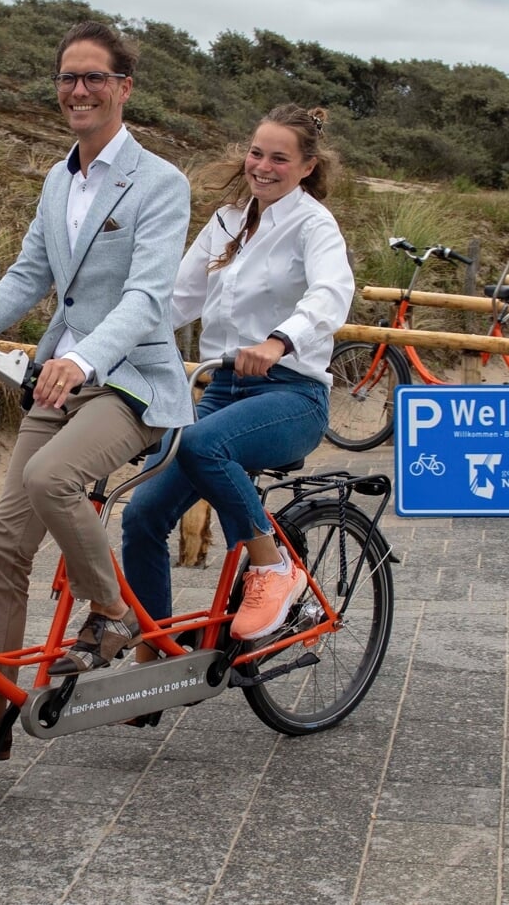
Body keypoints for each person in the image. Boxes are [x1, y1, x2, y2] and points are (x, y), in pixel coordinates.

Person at [0, 22, 192, 771]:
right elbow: (25, 279)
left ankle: (110, 613)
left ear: (124, 87)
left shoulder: (160, 183)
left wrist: (83, 357)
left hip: (130, 381)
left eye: (94, 77)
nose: (78, 90)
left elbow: (146, 299)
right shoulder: (57, 178)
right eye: (68, 77)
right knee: (3, 546)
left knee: (50, 477)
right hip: (62, 378)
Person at [119, 104, 355, 664]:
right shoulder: (227, 219)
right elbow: (176, 299)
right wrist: (105, 346)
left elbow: (330, 295)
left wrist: (278, 341)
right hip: (220, 389)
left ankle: (274, 567)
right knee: (141, 513)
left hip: (290, 394)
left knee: (204, 444)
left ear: (306, 167)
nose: (263, 166)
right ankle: (159, 657)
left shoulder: (314, 224)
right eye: (256, 153)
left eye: (279, 158)